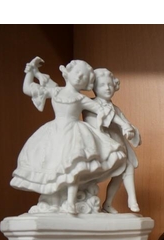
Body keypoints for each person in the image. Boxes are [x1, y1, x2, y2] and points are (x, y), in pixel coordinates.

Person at [11, 57, 127, 214]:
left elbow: (103, 109)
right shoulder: (56, 91)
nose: (80, 77)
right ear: (67, 73)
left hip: (75, 134)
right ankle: (53, 197)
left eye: (84, 76)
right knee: (52, 163)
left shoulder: (81, 98)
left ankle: (71, 202)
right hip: (55, 134)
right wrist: (30, 72)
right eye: (78, 72)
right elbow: (28, 88)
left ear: (87, 83)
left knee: (75, 166)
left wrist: (122, 124)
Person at [83, 68, 141, 213]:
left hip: (117, 146)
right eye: (102, 85)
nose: (107, 88)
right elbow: (93, 126)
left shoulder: (116, 109)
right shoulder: (89, 105)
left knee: (125, 168)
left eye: (109, 84)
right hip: (100, 149)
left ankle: (110, 203)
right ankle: (127, 200)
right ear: (94, 87)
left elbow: (127, 125)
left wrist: (129, 131)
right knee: (123, 167)